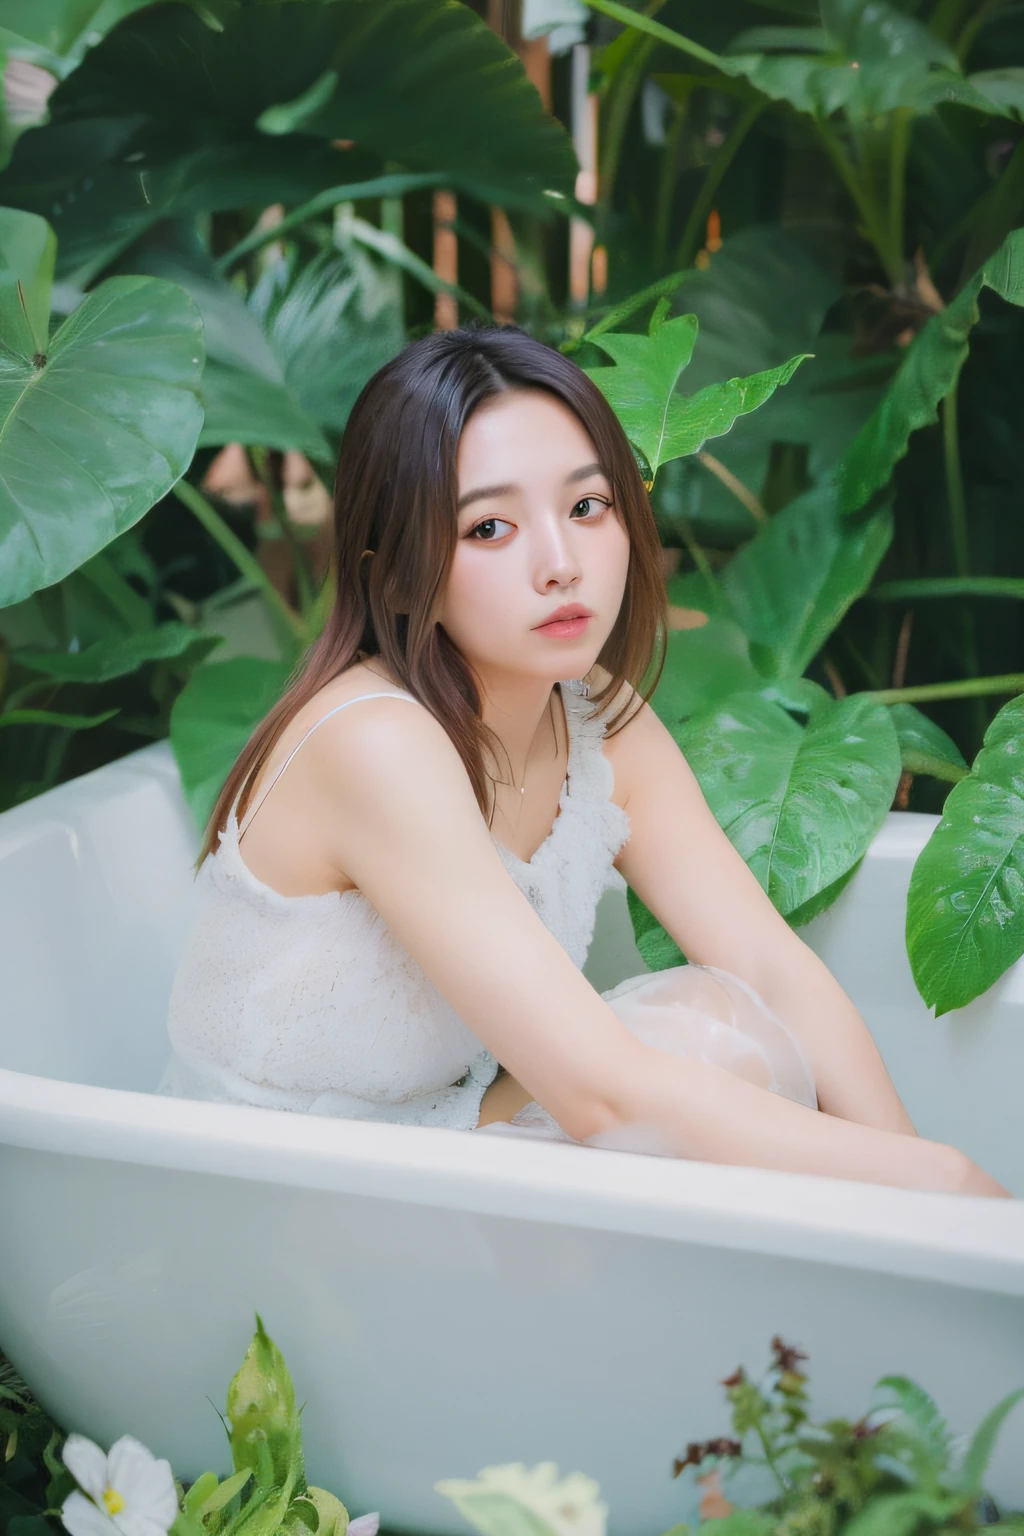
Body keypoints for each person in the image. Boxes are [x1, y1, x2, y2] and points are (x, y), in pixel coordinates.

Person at [159, 325, 1009, 1199]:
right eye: (490, 527)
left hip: (424, 1148)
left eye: (587, 506)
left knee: (723, 1026)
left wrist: (925, 1205)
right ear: (402, 578)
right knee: (689, 1070)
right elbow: (598, 1097)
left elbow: (770, 969)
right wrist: (943, 1183)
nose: (560, 564)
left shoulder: (597, 717)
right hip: (271, 1199)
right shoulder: (375, 741)